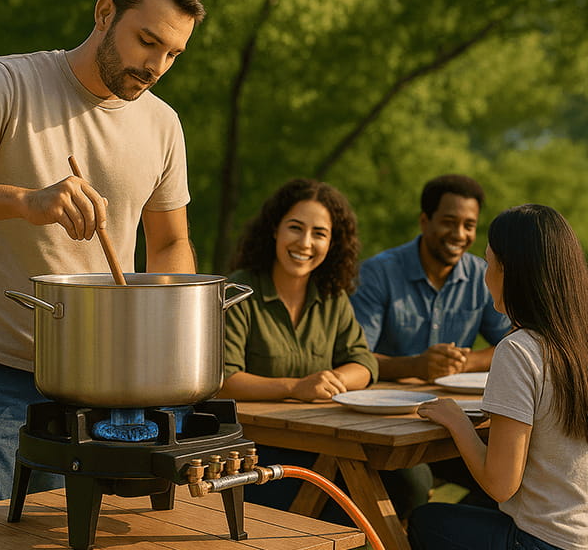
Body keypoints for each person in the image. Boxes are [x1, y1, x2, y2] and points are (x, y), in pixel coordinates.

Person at [0, 0, 205, 511]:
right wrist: (25, 200)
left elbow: (169, 242)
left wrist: (162, 341)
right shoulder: (9, 82)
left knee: (79, 537)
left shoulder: (163, 124)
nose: (157, 65)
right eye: (147, 41)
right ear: (105, 13)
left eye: (173, 54)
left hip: (108, 379)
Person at [409, 204, 588, 550]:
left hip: (542, 541)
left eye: (489, 262)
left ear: (509, 271)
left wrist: (456, 420)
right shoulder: (577, 342)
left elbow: (500, 484)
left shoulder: (519, 350)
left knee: (424, 520)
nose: (484, 273)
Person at [217, 178, 379, 515]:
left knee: (401, 485)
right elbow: (224, 379)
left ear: (332, 243)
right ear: (275, 229)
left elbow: (364, 363)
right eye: (295, 228)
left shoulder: (332, 295)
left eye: (319, 233)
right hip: (252, 452)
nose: (305, 243)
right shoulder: (240, 289)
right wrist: (297, 387)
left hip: (323, 445)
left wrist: (333, 380)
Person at [351, 174, 511, 383]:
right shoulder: (376, 273)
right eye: (449, 222)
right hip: (384, 401)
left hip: (454, 402)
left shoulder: (483, 274)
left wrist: (464, 362)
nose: (459, 234)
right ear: (424, 222)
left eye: (469, 225)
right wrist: (415, 366)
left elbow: (513, 342)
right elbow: (355, 358)